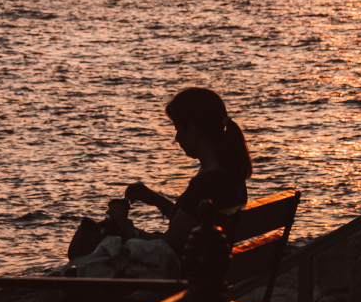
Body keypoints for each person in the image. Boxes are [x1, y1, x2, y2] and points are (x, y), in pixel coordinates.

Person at [67, 87, 250, 275]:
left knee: (65, 278)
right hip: (208, 274)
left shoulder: (208, 184)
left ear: (192, 129)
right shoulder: (232, 176)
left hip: (182, 283)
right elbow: (191, 223)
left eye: (178, 128)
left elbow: (165, 248)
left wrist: (125, 226)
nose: (176, 138)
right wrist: (155, 199)